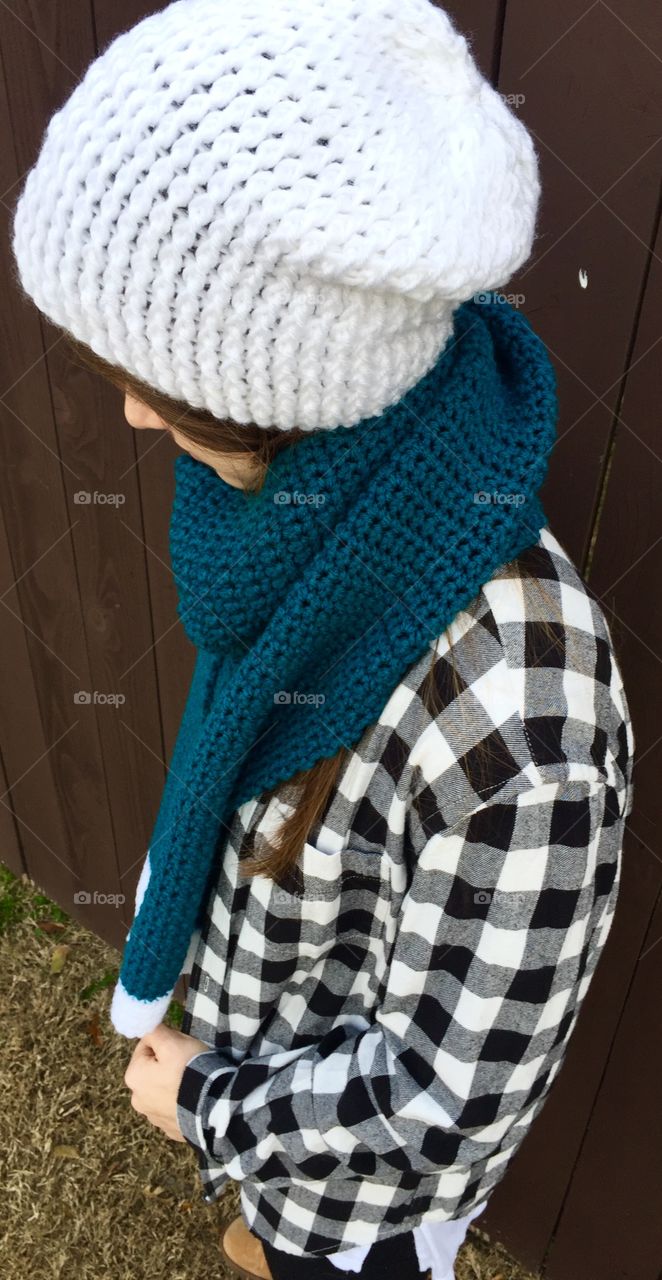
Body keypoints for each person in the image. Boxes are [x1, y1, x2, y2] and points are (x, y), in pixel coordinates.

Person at [9, 3, 635, 1279]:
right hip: (269, 1077)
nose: (129, 411)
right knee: (263, 1234)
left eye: (162, 383)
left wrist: (207, 1102)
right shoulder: (282, 513)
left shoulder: (527, 725)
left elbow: (442, 1107)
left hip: (361, 1206)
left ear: (289, 380)